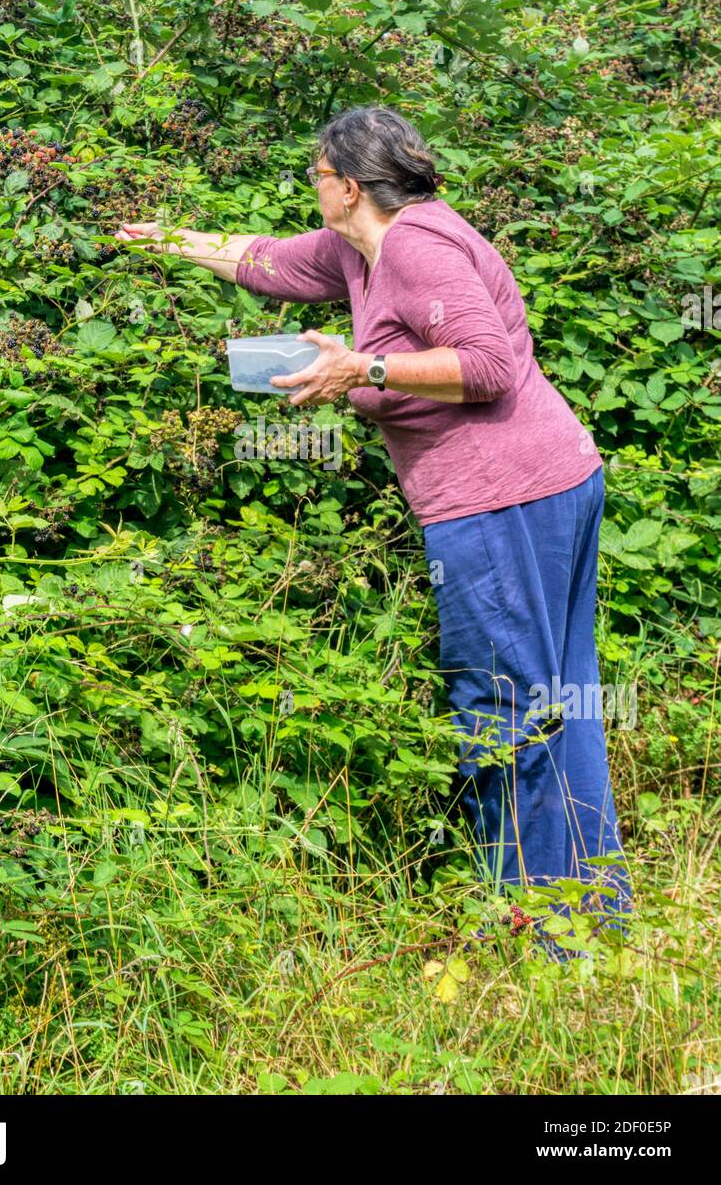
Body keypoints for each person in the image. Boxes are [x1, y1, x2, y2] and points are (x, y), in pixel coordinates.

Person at [114, 104, 634, 948]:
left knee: (506, 707)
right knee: (560, 700)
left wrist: (368, 366)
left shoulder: (419, 248)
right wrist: (164, 239)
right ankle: (590, 915)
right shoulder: (362, 247)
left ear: (349, 185)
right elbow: (268, 263)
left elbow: (491, 365)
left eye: (317, 175)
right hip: (549, 482)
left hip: (500, 497)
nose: (312, 188)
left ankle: (544, 932)